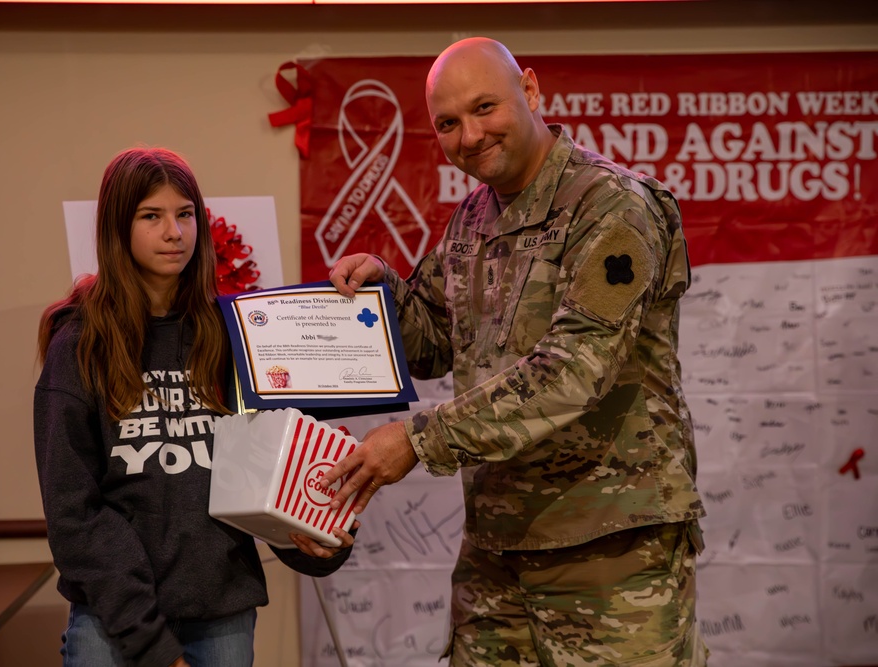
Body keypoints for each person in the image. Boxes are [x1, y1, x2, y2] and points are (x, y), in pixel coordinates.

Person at [325, 37, 707, 666]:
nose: (469, 136)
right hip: (497, 554)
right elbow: (430, 343)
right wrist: (382, 294)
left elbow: (573, 371)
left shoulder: (611, 205)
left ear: (530, 90)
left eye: (484, 108)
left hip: (610, 553)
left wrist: (419, 440)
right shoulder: (472, 220)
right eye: (448, 123)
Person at [35, 147, 355, 667]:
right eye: (151, 216)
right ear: (118, 228)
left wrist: (314, 538)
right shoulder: (79, 345)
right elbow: (74, 515)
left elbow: (270, 470)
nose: (174, 233)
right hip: (115, 625)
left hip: (223, 616)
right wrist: (151, 645)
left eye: (185, 214)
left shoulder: (234, 335)